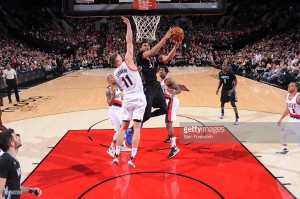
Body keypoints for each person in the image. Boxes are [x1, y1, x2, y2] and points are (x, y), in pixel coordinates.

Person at [126, 28, 181, 142]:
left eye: (148, 45)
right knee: (145, 115)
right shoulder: (140, 56)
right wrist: (165, 37)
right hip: (146, 87)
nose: (147, 47)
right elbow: (151, 52)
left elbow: (167, 59)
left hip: (155, 86)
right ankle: (130, 130)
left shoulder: (155, 57)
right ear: (141, 48)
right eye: (145, 45)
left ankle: (145, 117)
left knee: (164, 109)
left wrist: (175, 47)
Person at [109, 16, 146, 168]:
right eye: (119, 55)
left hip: (128, 99)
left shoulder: (115, 74)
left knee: (122, 128)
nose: (121, 54)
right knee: (136, 128)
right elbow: (129, 41)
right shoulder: (128, 59)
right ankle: (133, 157)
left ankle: (116, 155)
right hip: (138, 97)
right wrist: (129, 25)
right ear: (119, 59)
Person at [0, 129, 42, 199]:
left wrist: (30, 190)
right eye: (16, 137)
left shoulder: (12, 160)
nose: (19, 136)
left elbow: (12, 190)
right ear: (12, 144)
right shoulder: (6, 161)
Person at [105, 75, 131, 158]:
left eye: (114, 77)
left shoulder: (118, 88)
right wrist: (112, 97)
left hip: (120, 109)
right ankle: (111, 147)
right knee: (121, 129)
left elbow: (120, 97)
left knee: (124, 128)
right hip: (114, 111)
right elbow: (109, 103)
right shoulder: (108, 90)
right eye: (111, 78)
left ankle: (122, 145)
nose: (114, 78)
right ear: (109, 81)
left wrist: (127, 97)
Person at [159, 66, 181, 158]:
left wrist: (172, 93)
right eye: (159, 70)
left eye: (162, 70)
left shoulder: (169, 80)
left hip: (171, 102)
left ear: (166, 72)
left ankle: (174, 147)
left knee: (168, 124)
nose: (160, 72)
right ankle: (170, 137)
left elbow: (179, 90)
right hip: (167, 102)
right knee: (167, 122)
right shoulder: (162, 81)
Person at [276, 82, 300, 155]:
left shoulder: (298, 97)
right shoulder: (287, 96)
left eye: (291, 86)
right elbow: (288, 108)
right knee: (283, 133)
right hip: (292, 119)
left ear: (296, 88)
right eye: (288, 86)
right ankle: (285, 149)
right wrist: (281, 118)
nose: (289, 87)